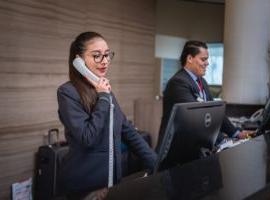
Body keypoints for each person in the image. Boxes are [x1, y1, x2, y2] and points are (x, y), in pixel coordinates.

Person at [57, 31, 156, 199]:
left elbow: (128, 132)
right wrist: (103, 96)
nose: (104, 61)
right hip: (85, 188)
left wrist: (157, 162)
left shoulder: (105, 91)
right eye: (97, 56)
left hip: (112, 185)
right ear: (78, 61)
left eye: (107, 55)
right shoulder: (68, 92)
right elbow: (88, 137)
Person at [157, 40, 254, 151]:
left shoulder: (201, 81)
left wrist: (237, 133)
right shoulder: (178, 83)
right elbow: (199, 119)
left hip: (195, 149)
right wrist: (223, 141)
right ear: (189, 59)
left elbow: (215, 113)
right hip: (177, 154)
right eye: (203, 59)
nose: (207, 63)